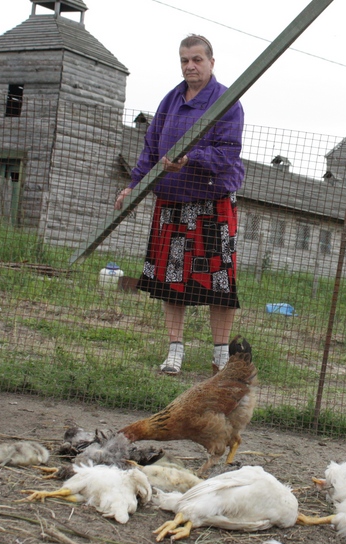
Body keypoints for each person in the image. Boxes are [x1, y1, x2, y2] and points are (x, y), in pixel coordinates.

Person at [115, 34, 245, 376]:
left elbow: (227, 153)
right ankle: (175, 351)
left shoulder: (228, 102)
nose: (190, 66)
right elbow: (150, 150)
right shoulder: (170, 101)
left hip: (212, 201)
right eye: (185, 60)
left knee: (220, 282)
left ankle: (220, 357)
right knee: (171, 280)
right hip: (171, 200)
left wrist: (191, 158)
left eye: (197, 59)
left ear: (211, 62)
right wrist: (133, 185)